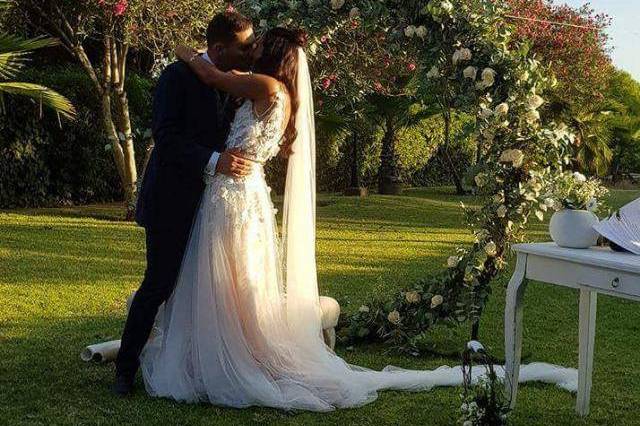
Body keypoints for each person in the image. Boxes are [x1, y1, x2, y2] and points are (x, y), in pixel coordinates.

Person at [113, 11, 257, 396]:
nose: (250, 53)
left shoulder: (236, 81)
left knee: (206, 288)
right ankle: (125, 369)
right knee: (159, 283)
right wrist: (215, 160)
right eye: (243, 47)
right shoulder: (175, 77)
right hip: (172, 199)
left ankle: (192, 364)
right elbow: (167, 136)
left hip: (215, 207)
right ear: (218, 48)